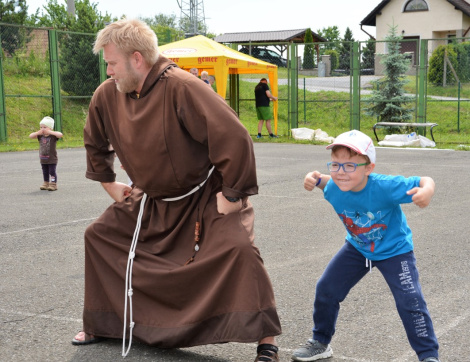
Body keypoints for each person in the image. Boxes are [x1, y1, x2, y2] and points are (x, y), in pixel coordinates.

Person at [71, 19, 281, 362]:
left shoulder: (184, 86)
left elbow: (234, 138)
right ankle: (104, 323)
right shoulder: (107, 94)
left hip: (203, 197)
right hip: (150, 200)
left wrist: (231, 195)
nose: (108, 70)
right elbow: (95, 142)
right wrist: (110, 184)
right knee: (99, 235)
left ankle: (266, 340)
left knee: (240, 249)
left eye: (112, 62)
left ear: (137, 59)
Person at [291, 130, 440, 362]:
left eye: (350, 166)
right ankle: (320, 342)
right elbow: (325, 181)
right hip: (358, 248)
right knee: (326, 289)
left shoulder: (385, 187)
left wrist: (427, 191)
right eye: (336, 165)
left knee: (410, 300)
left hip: (395, 251)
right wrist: (314, 178)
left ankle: (428, 355)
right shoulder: (333, 188)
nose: (341, 172)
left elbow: (424, 180)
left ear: (368, 168)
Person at [28, 116, 63, 191]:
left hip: (52, 158)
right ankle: (46, 182)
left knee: (52, 171)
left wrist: (50, 132)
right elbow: (30, 136)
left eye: (45, 127)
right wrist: (38, 132)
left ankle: (53, 184)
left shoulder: (53, 136)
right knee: (45, 171)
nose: (42, 129)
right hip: (43, 158)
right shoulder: (40, 136)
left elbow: (60, 134)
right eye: (41, 127)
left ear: (50, 128)